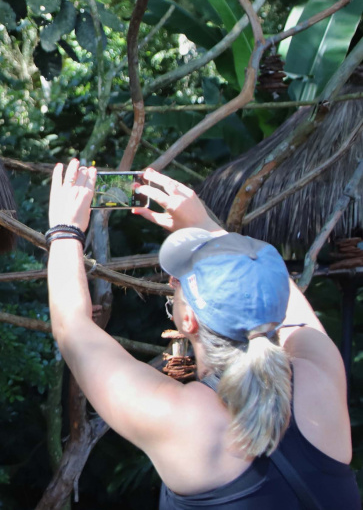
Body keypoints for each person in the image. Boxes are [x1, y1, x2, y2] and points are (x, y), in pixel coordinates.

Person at [47, 159, 359, 509]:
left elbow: (71, 327)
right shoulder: (321, 375)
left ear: (189, 320)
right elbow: (277, 294)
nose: (171, 281)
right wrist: (206, 227)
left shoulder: (181, 420)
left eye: (178, 280)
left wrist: (64, 229)